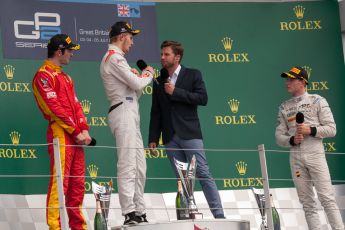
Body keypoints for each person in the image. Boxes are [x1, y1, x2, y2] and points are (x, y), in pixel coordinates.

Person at [148, 40, 225, 219]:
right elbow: (155, 112)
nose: (162, 57)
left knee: (203, 173)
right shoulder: (158, 80)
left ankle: (219, 215)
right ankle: (188, 216)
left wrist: (176, 92)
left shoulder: (193, 74)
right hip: (169, 136)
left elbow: (202, 98)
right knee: (181, 180)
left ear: (177, 57)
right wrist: (153, 137)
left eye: (166, 54)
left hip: (190, 133)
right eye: (161, 54)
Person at [32, 34, 92, 230]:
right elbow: (54, 108)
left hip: (76, 136)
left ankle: (78, 226)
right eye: (70, 51)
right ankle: (55, 227)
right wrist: (76, 131)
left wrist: (83, 129)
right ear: (59, 51)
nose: (72, 54)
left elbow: (76, 106)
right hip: (60, 133)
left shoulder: (66, 77)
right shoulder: (43, 76)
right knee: (60, 183)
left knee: (77, 185)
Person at [275, 66, 344, 230]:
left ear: (303, 82)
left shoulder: (317, 100)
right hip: (296, 158)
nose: (287, 82)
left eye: (291, 79)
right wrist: (292, 139)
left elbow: (332, 129)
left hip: (315, 155)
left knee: (327, 198)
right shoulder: (284, 107)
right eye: (287, 79)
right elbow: (279, 137)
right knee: (307, 202)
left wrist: (311, 130)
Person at [100, 21, 154, 225]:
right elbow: (139, 83)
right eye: (131, 38)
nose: (132, 43)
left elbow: (136, 90)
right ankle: (129, 212)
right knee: (127, 163)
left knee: (140, 166)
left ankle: (139, 211)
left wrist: (138, 78)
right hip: (122, 112)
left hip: (130, 111)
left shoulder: (119, 60)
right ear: (122, 36)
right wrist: (147, 73)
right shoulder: (114, 58)